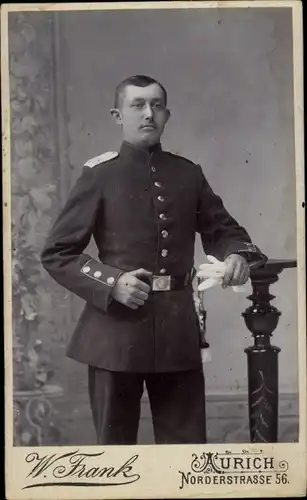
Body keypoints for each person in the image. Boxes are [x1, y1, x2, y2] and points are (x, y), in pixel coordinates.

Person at [41, 75, 266, 445]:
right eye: (137, 105)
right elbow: (57, 252)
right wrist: (112, 282)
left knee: (185, 455)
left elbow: (223, 229)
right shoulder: (99, 175)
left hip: (178, 332)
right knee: (116, 456)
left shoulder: (187, 173)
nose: (149, 113)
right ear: (118, 115)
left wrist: (238, 254)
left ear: (167, 114)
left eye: (157, 105)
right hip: (114, 335)